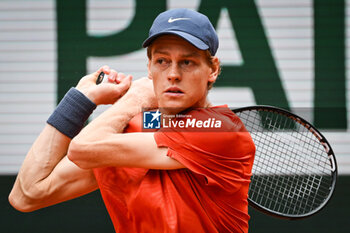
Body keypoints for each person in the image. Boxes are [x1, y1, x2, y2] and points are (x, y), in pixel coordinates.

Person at [9, 8, 255, 233]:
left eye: (187, 62)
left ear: (212, 69)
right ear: (149, 68)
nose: (173, 74)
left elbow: (83, 148)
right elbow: (27, 194)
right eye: (162, 61)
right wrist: (80, 100)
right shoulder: (131, 129)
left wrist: (133, 99)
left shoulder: (222, 130)